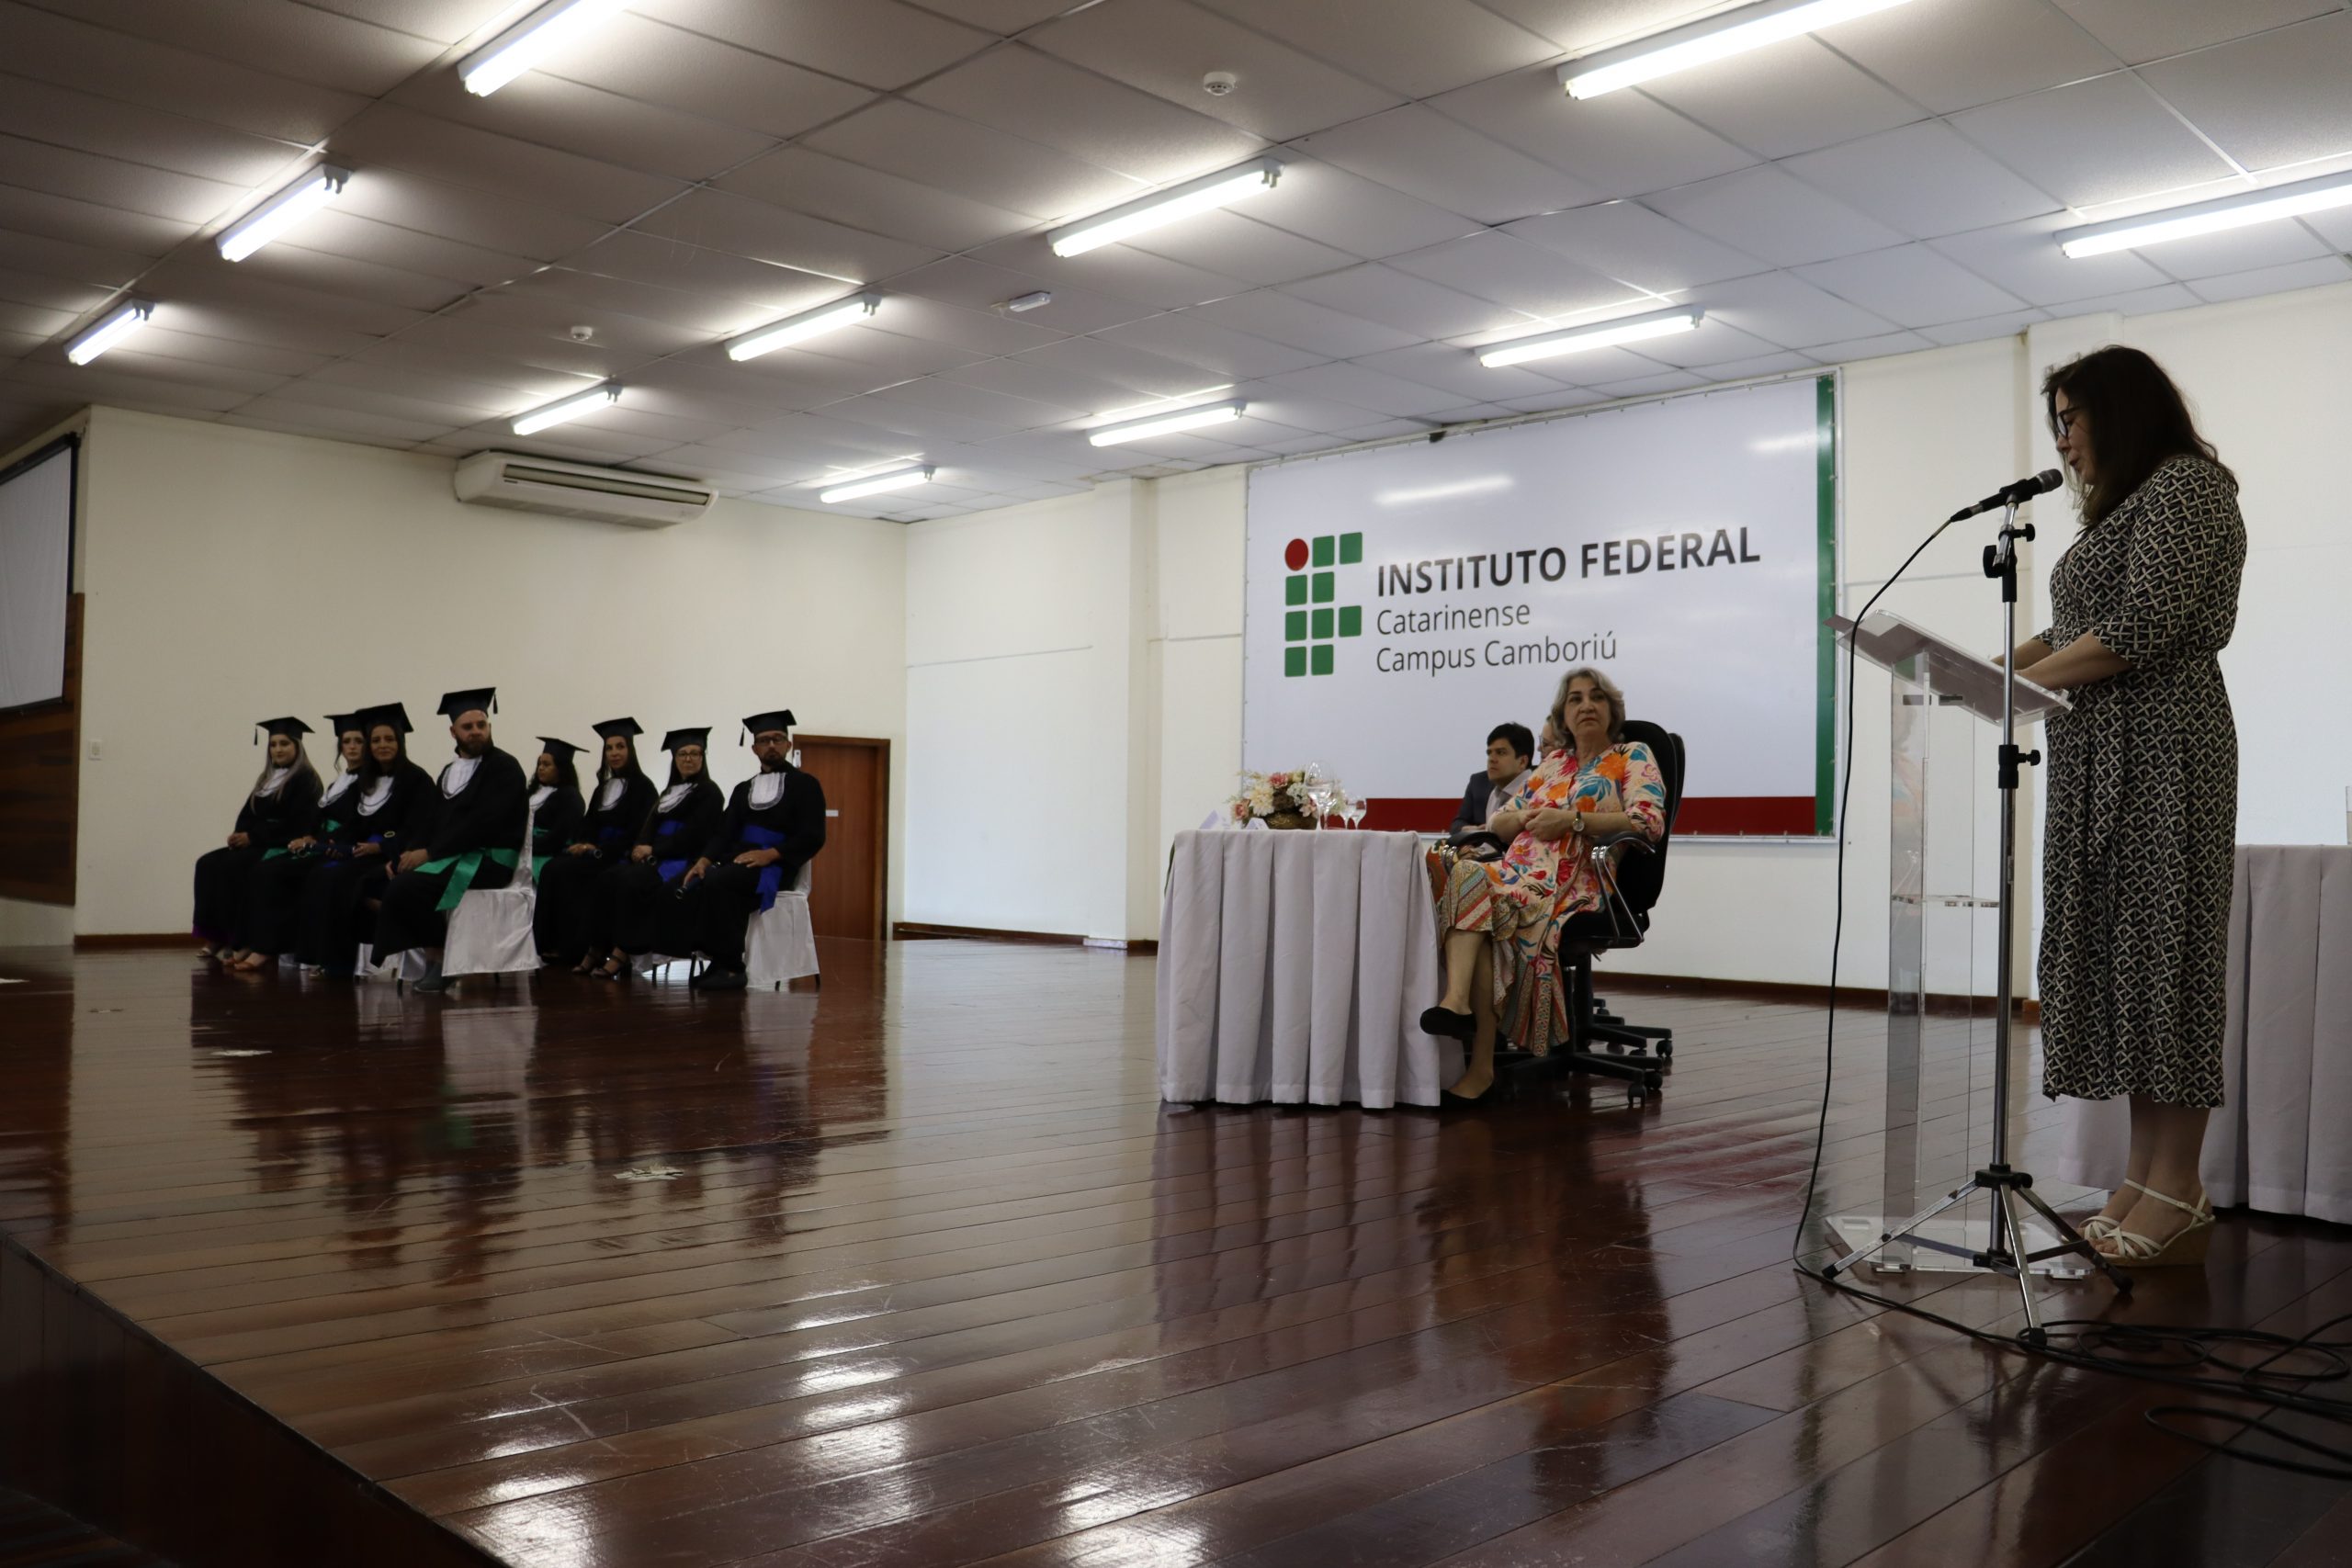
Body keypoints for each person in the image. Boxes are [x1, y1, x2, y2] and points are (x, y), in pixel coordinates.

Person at [2009, 345, 2245, 1266]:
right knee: (2125, 961)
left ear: (2119, 409)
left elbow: (2137, 629)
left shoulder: (2186, 487)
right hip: (2098, 755)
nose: (2062, 441)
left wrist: (2011, 683)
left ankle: (2178, 1182)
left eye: (2069, 418)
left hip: (2162, 752)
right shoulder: (2122, 510)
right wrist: (1980, 669)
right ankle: (2145, 1176)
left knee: (2165, 961)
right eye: (2056, 424)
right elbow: (2072, 630)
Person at [1423, 668, 1666, 1104]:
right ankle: (1456, 1004)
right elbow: (1499, 822)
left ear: (1612, 710)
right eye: (1575, 699)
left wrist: (1571, 820)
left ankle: (1480, 1068)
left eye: (1596, 697)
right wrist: (1519, 818)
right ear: (1563, 715)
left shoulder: (1632, 755)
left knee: (1487, 921)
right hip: (1517, 871)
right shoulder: (1554, 764)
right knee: (1465, 873)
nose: (1586, 705)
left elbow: (1648, 822)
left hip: (1575, 881)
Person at [373, 687, 528, 993]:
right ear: (453, 732)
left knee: (411, 886)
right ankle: (435, 959)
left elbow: (483, 824)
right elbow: (431, 821)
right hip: (455, 854)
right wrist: (407, 853)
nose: (476, 732)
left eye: (481, 725)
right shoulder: (449, 771)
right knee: (392, 878)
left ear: (489, 727)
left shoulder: (504, 767)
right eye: (467, 727)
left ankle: (441, 960)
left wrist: (430, 853)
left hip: (490, 859)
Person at [674, 710, 826, 991]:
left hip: (777, 866)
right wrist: (704, 860)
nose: (771, 745)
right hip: (740, 862)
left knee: (722, 882)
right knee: (699, 880)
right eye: (764, 740)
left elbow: (813, 836)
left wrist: (771, 854)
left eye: (777, 739)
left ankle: (732, 967)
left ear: (788, 745)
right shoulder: (743, 789)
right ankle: (717, 961)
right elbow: (724, 832)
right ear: (755, 748)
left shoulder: (806, 785)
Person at [294, 703, 433, 976]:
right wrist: (337, 844)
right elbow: (356, 822)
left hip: (394, 854)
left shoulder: (416, 779)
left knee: (339, 880)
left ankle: (340, 963)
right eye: (376, 740)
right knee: (319, 874)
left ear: (400, 742)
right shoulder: (367, 780)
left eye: (389, 739)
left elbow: (419, 827)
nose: (383, 745)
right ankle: (319, 957)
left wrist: (381, 846)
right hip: (362, 853)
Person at [224, 713, 364, 973]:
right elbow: (319, 816)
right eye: (347, 741)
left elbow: (357, 821)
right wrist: (308, 836)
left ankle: (267, 947)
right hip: (318, 842)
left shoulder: (363, 781)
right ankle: (246, 941)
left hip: (340, 847)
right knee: (248, 868)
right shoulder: (340, 780)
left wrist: (317, 839)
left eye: (358, 741)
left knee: (269, 872)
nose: (352, 747)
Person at [596, 727, 726, 979]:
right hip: (658, 856)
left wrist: (654, 849)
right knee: (609, 878)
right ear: (674, 759)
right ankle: (600, 947)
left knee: (633, 881)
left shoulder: (710, 792)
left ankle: (623, 953)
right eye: (682, 754)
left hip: (683, 859)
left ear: (703, 757)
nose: (688, 759)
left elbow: (694, 835)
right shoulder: (668, 792)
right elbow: (650, 824)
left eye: (695, 753)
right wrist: (640, 847)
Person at [194, 719, 322, 963]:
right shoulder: (266, 779)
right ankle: (217, 935)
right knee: (207, 864)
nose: (278, 749)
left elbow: (299, 823)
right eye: (273, 745)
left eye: (284, 744)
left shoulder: (307, 780)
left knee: (234, 866)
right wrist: (238, 835)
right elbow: (248, 814)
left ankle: (240, 938)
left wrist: (253, 837)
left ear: (297, 747)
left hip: (281, 843)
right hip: (256, 842)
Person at [535, 718, 654, 970]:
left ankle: (581, 949)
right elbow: (588, 822)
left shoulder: (644, 787)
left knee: (571, 873)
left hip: (619, 854)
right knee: (554, 868)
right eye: (609, 748)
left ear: (630, 750)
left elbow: (637, 831)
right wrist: (583, 843)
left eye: (620, 747)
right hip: (596, 852)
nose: (614, 753)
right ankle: (553, 945)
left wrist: (599, 850)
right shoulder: (603, 788)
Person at [1447, 723, 1536, 844]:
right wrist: (1470, 831)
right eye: (1489, 753)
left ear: (1522, 762)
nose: (1491, 759)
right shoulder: (1483, 785)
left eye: (1501, 753)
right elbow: (1457, 823)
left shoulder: (1541, 790)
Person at [529, 738, 587, 882]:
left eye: (547, 764)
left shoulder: (570, 797)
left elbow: (559, 836)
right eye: (539, 763)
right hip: (525, 848)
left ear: (561, 768)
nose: (540, 768)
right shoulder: (532, 792)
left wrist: (527, 845)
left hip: (547, 855)